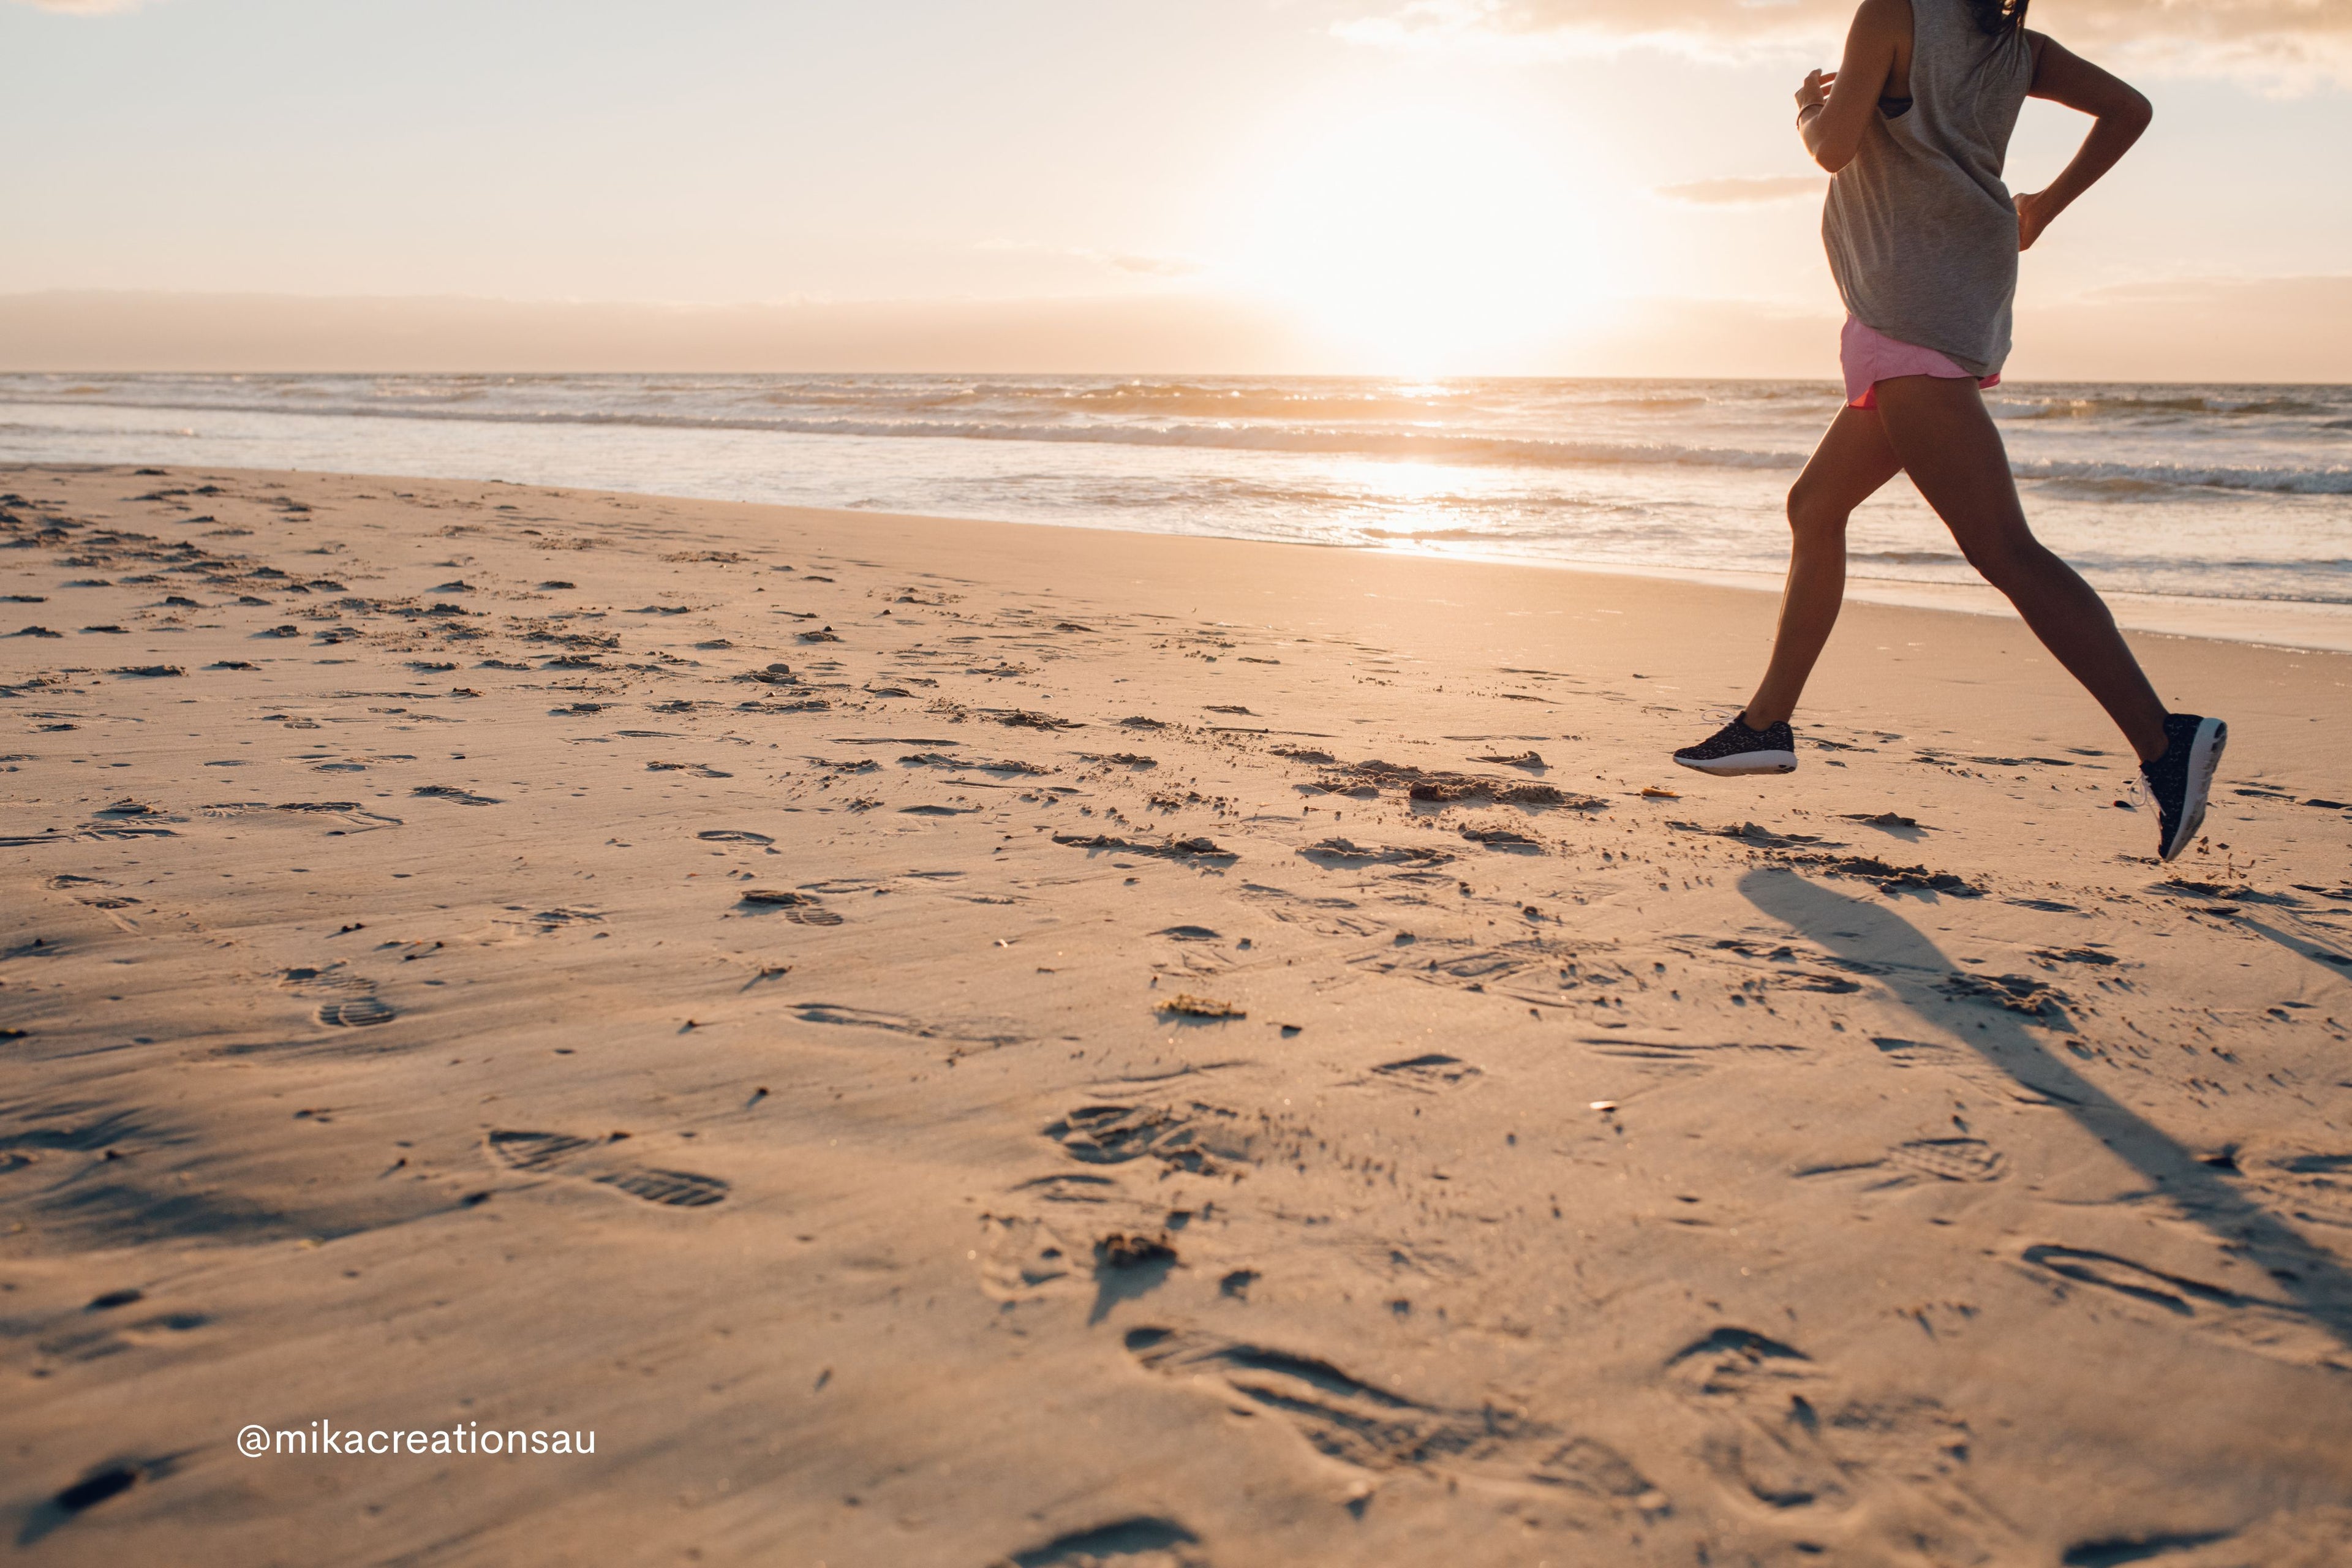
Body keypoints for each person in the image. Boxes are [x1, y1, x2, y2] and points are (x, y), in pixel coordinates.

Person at [1671, 0, 2226, 862]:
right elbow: (2132, 110)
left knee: (2003, 548)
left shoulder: (1891, 12)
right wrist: (2039, 207)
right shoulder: (2014, 46)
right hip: (1951, 291)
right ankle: (1765, 725)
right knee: (1815, 508)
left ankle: (2165, 740)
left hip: (1909, 301)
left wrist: (1808, 110)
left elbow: (1833, 148)